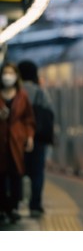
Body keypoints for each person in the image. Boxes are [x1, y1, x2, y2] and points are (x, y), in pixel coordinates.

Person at [18, 60, 54, 217]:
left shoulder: (16, 92)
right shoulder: (41, 93)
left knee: (16, 172)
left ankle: (15, 202)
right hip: (38, 140)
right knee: (37, 173)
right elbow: (50, 114)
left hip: (17, 140)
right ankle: (35, 204)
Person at [0, 62, 35, 223]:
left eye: (10, 73)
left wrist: (29, 137)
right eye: (4, 73)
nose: (7, 76)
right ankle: (3, 208)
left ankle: (13, 207)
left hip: (16, 141)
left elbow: (29, 119)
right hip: (1, 141)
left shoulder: (22, 96)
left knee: (15, 175)